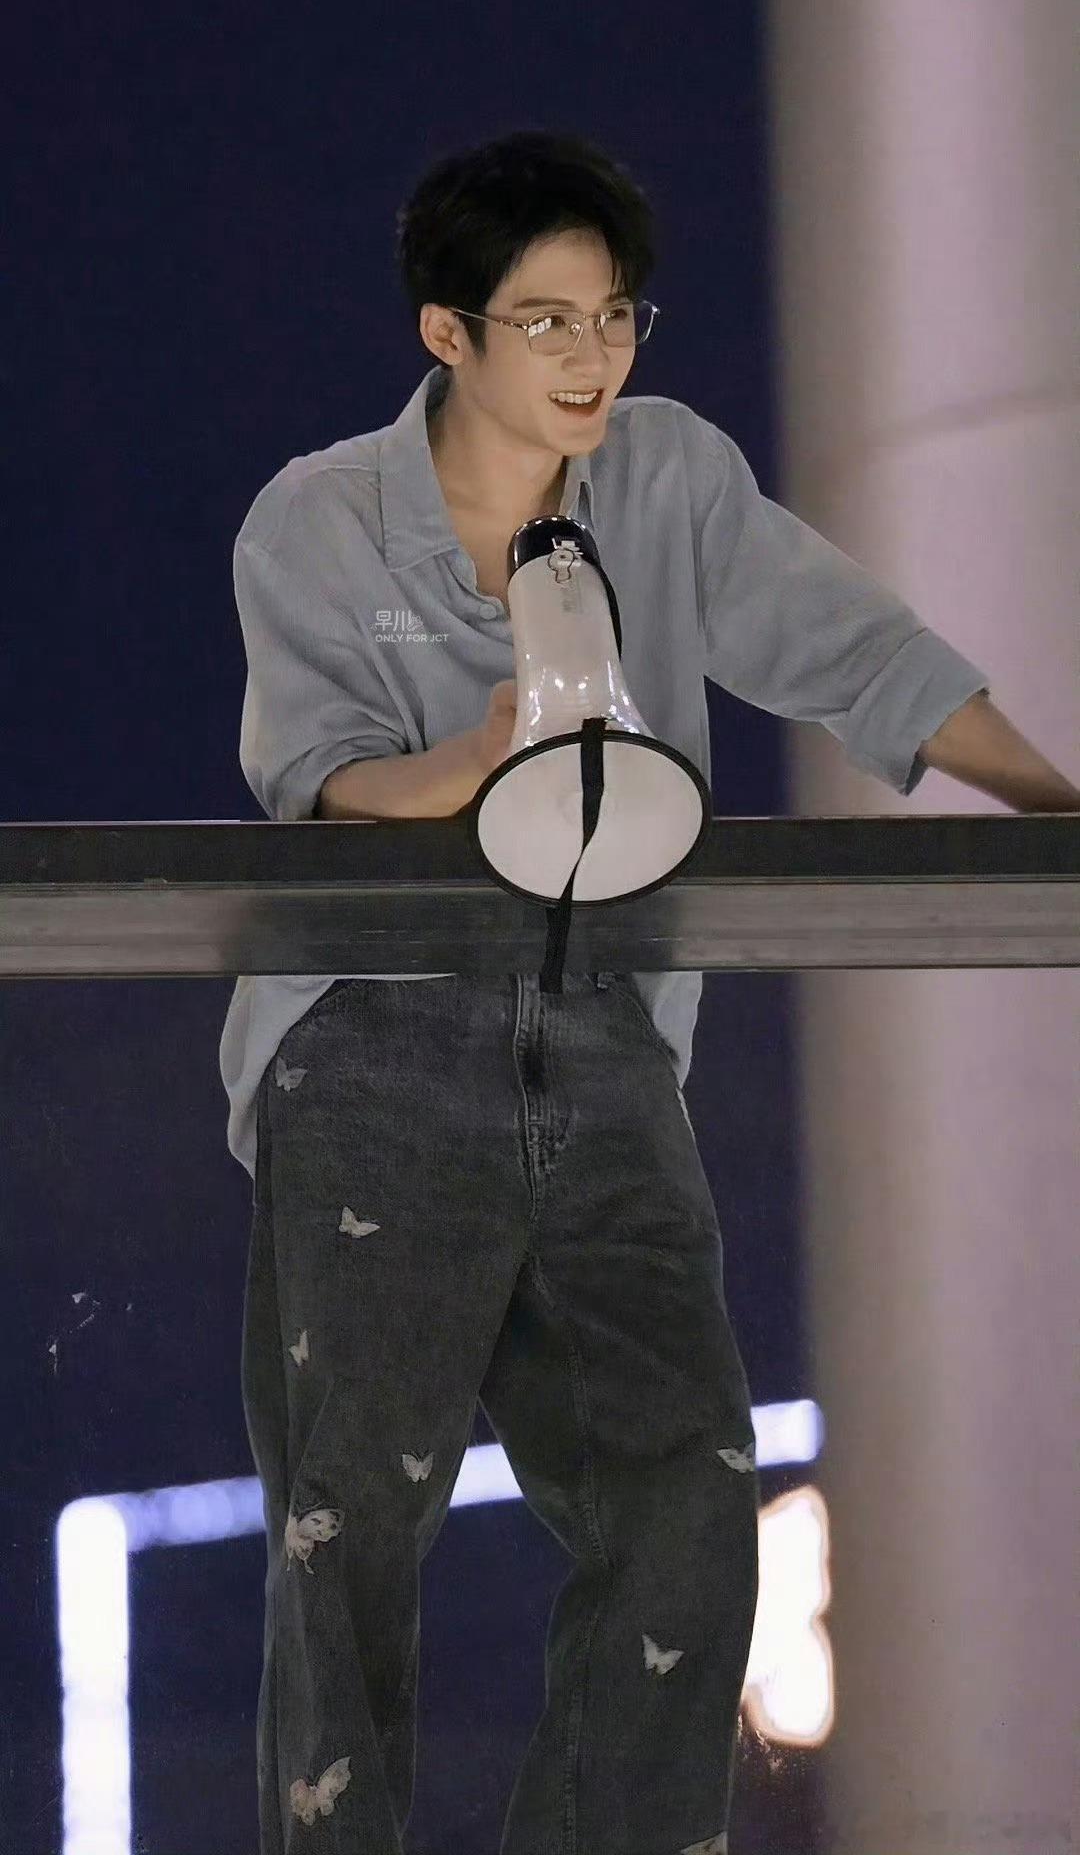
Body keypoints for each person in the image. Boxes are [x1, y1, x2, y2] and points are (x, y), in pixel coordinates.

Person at [221, 129, 998, 1854]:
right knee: (349, 1525)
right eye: (548, 320)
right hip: (371, 1032)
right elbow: (316, 780)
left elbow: (857, 652)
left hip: (609, 1033)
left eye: (617, 315)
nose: (594, 356)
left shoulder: (668, 478)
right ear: (449, 334)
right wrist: (488, 755)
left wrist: (1054, 803)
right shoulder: (317, 514)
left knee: (688, 1494)